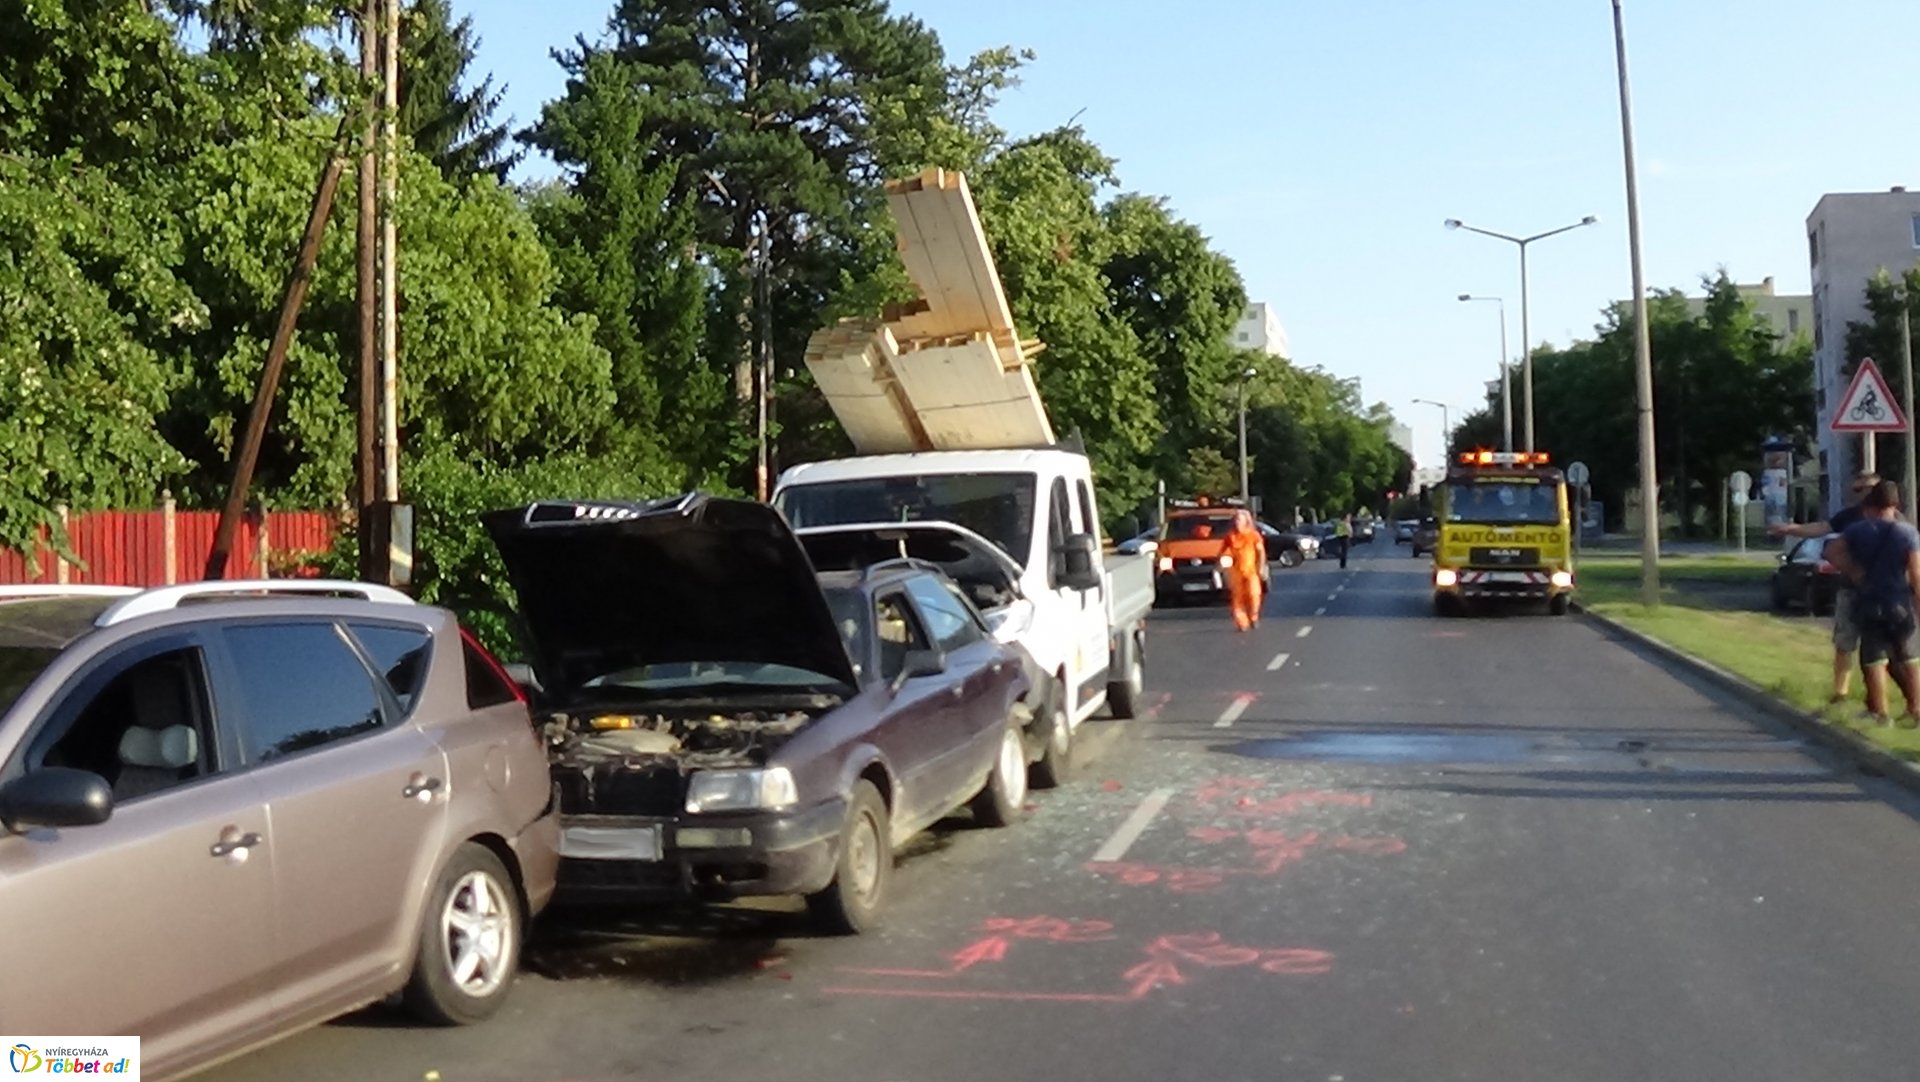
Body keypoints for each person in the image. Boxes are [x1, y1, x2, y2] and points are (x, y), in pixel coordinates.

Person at [1771, 470, 1879, 703]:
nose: (1860, 494)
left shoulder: (1894, 518)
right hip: (1851, 589)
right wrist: (1791, 529)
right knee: (1844, 643)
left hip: (1883, 591)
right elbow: (1821, 528)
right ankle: (1840, 694)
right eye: (1857, 490)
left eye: (1865, 489)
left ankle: (1883, 700)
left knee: (1880, 648)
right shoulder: (1849, 516)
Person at [1830, 480, 1920, 726]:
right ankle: (1915, 709)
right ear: (1895, 505)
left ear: (1871, 504)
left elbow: (1831, 551)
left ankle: (1881, 713)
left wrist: (1854, 571)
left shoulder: (1857, 530)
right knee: (1909, 657)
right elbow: (1916, 574)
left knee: (1874, 659)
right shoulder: (1907, 533)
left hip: (1870, 601)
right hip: (1900, 602)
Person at [1224, 510, 1265, 632]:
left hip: (1251, 571)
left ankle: (1253, 617)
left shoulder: (1253, 535)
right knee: (1237, 598)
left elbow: (1260, 552)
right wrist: (1224, 567)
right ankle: (1242, 622)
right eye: (1236, 520)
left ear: (1246, 521)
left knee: (1254, 595)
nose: (1237, 522)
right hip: (1236, 572)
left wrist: (1261, 567)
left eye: (1239, 520)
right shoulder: (1230, 537)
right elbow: (1224, 553)